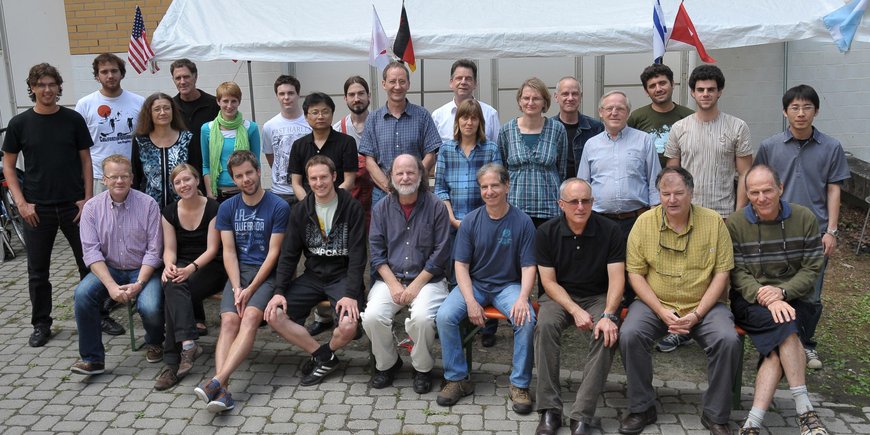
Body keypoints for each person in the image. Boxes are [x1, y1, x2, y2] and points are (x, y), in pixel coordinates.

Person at [618, 167, 740, 435]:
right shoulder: (644, 223)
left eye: (678, 193)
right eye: (665, 193)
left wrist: (697, 314)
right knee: (630, 334)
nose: (672, 200)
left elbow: (722, 274)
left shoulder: (714, 222)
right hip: (655, 303)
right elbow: (635, 275)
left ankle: (715, 414)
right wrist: (661, 312)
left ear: (691, 193)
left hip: (704, 306)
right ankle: (642, 407)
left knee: (727, 340)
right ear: (658, 195)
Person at [727, 164, 829, 435]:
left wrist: (783, 293)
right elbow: (736, 271)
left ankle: (752, 424)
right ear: (747, 193)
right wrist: (767, 297)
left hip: (795, 298)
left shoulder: (804, 218)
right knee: (786, 327)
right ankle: (805, 412)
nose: (761, 198)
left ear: (780, 188)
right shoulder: (736, 223)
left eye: (767, 190)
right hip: (751, 301)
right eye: (754, 192)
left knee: (778, 344)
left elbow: (812, 267)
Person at [754, 84, 850, 370]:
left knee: (811, 292)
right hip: (775, 230)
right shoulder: (770, 147)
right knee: (776, 288)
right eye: (794, 107)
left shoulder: (831, 147)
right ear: (785, 112)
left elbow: (834, 189)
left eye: (807, 107)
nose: (800, 113)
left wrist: (831, 231)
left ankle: (806, 344)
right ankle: (778, 340)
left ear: (816, 111)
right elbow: (756, 186)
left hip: (815, 233)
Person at [661, 64, 752, 353]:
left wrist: (738, 214)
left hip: (723, 213)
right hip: (685, 215)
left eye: (711, 89)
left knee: (719, 274)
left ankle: (712, 328)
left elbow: (745, 175)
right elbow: (671, 175)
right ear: (692, 92)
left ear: (720, 91)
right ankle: (679, 328)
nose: (705, 94)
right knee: (683, 272)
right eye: (700, 89)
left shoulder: (737, 127)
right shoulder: (679, 128)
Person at [1, 63, 93, 347]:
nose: (47, 89)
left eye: (51, 84)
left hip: (73, 207)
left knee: (89, 265)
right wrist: (21, 203)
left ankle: (96, 315)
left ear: (59, 86)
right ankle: (41, 323)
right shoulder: (20, 124)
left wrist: (87, 200)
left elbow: (86, 161)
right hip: (36, 209)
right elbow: (8, 166)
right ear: (32, 88)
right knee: (38, 271)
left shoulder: (73, 119)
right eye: (40, 85)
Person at [435, 163, 537, 415]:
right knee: (445, 316)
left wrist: (524, 298)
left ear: (506, 186)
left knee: (526, 320)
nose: (489, 191)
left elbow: (528, 266)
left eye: (495, 185)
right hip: (475, 284)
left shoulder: (523, 222)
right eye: (484, 187)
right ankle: (457, 379)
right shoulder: (470, 221)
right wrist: (470, 301)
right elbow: (461, 266)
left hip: (508, 286)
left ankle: (519, 385)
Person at [194, 151, 289, 413]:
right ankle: (222, 392)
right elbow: (229, 251)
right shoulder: (227, 208)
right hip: (239, 274)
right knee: (229, 321)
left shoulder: (278, 206)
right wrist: (237, 287)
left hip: (266, 274)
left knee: (248, 318)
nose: (245, 179)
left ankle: (216, 381)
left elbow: (273, 254)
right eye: (239, 176)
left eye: (249, 173)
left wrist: (251, 289)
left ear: (259, 172)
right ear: (234, 180)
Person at [533, 178, 625, 435]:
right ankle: (550, 410)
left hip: (599, 296)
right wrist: (574, 309)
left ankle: (582, 414)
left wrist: (608, 314)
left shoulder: (610, 231)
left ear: (593, 202)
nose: (581, 206)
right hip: (559, 296)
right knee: (546, 326)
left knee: (607, 333)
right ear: (561, 204)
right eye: (574, 201)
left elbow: (618, 279)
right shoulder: (546, 232)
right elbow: (548, 283)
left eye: (586, 200)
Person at [265, 155, 366, 386]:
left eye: (323, 177)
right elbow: (289, 255)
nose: (319, 183)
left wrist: (351, 293)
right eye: (313, 178)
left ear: (334, 177)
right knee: (274, 315)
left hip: (341, 277)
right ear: (307, 181)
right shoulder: (301, 211)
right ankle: (323, 356)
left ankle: (325, 353)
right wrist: (279, 290)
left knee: (349, 326)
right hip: (312, 277)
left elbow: (359, 256)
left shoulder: (352, 207)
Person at [362, 154, 451, 394]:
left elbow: (441, 253)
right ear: (391, 177)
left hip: (428, 280)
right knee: (372, 316)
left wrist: (414, 287)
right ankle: (388, 364)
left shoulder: (436, 207)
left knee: (421, 318)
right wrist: (393, 285)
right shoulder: (381, 209)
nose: (405, 177)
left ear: (421, 175)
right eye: (399, 173)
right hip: (390, 278)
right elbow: (377, 254)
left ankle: (422, 369)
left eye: (411, 172)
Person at [70, 155, 164, 375]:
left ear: (132, 178)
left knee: (149, 306)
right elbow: (91, 253)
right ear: (104, 179)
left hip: (142, 269)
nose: (119, 181)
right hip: (109, 268)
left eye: (124, 176)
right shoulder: (92, 208)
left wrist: (139, 283)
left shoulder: (148, 204)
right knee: (83, 294)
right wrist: (111, 286)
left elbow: (154, 251)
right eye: (114, 177)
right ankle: (92, 359)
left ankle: (155, 341)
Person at [434, 98, 504, 347]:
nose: (469, 122)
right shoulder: (445, 150)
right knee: (457, 273)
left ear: (480, 122)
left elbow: (495, 187)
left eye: (474, 118)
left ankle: (488, 328)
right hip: (454, 222)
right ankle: (462, 321)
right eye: (464, 117)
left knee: (486, 270)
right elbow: (440, 188)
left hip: (485, 222)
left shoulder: (491, 150)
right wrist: (452, 218)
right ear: (458, 121)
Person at [154, 164, 227, 391]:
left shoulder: (214, 208)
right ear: (174, 187)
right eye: (178, 182)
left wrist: (189, 270)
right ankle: (187, 345)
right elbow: (170, 249)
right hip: (183, 264)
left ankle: (172, 361)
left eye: (187, 180)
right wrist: (169, 265)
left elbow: (213, 249)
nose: (183, 185)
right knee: (170, 281)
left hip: (211, 266)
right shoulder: (169, 211)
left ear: (196, 180)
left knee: (174, 289)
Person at [577, 90, 660, 239]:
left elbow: (655, 180)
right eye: (609, 108)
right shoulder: (591, 145)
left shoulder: (644, 140)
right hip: (599, 222)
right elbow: (583, 185)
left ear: (628, 113)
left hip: (636, 221)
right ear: (601, 112)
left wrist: (654, 216)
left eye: (620, 108)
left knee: (635, 263)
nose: (614, 113)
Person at [358, 61, 441, 205]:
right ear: (384, 84)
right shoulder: (373, 119)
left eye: (402, 81)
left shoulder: (423, 116)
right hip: (383, 194)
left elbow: (431, 155)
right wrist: (390, 187)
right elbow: (369, 161)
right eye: (392, 81)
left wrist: (413, 181)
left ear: (408, 84)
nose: (397, 86)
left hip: (417, 192)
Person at [498, 77, 567, 227]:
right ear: (519, 101)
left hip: (549, 208)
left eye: (536, 98)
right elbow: (502, 170)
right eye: (526, 98)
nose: (530, 102)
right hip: (515, 207)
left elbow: (561, 169)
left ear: (544, 102)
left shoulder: (557, 129)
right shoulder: (506, 130)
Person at [75, 53, 144, 194]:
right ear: (97, 76)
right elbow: (78, 144)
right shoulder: (85, 104)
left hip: (130, 175)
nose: (110, 75)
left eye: (114, 71)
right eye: (104, 72)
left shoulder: (139, 102)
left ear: (122, 74)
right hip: (99, 177)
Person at [288, 92, 357, 199]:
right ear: (306, 116)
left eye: (325, 112)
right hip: (307, 207)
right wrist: (309, 205)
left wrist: (330, 202)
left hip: (339, 204)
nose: (320, 116)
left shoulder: (347, 142)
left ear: (332, 114)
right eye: (315, 112)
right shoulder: (298, 145)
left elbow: (349, 181)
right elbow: (296, 183)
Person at [200, 82, 261, 202]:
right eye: (225, 101)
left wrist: (258, 192)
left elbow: (256, 163)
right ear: (218, 102)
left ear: (239, 102)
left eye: (234, 101)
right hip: (218, 193)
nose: (229, 105)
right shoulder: (207, 129)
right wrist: (210, 193)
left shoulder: (251, 128)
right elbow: (206, 165)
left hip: (245, 191)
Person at [131, 93, 192, 209]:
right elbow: (135, 175)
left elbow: (195, 172)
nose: (163, 113)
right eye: (157, 109)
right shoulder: (141, 141)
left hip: (182, 207)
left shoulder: (187, 138)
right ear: (149, 113)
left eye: (167, 108)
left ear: (173, 111)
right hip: (148, 207)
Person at [627, 64, 694, 167]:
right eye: (652, 86)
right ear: (646, 91)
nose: (658, 89)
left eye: (662, 83)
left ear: (672, 84)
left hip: (680, 179)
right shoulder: (636, 117)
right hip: (646, 180)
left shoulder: (689, 117)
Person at [171, 58, 219, 192]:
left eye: (186, 76)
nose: (182, 81)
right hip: (182, 177)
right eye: (178, 78)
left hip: (210, 173)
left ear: (195, 77)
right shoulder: (170, 108)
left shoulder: (214, 105)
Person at [263, 74, 312, 206]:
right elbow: (271, 157)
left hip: (308, 189)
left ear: (298, 94)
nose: (286, 98)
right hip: (280, 192)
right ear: (277, 96)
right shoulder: (269, 126)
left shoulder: (311, 122)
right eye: (282, 94)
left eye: (290, 93)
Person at [431, 59, 501, 143]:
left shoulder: (490, 114)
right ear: (451, 83)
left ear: (475, 83)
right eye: (459, 78)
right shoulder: (438, 116)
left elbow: (498, 149)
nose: (463, 82)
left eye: (468, 79)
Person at [551, 76, 603, 178]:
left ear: (581, 97)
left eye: (574, 94)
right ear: (556, 97)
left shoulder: (596, 128)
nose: (570, 98)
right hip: (555, 191)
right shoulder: (548, 128)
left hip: (586, 190)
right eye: (565, 94)